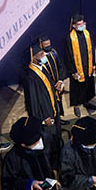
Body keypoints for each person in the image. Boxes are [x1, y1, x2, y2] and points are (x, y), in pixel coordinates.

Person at [24, 41, 64, 172]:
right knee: (48, 142)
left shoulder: (43, 68)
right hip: (45, 116)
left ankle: (58, 160)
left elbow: (50, 86)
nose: (44, 55)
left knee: (57, 136)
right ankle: (50, 166)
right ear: (33, 57)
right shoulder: (31, 78)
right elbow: (33, 103)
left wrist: (58, 84)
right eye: (41, 54)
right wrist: (42, 119)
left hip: (52, 109)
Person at [64, 13, 96, 117]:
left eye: (83, 23)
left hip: (88, 66)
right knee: (77, 88)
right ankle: (76, 105)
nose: (82, 25)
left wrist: (94, 64)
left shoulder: (87, 33)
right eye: (79, 24)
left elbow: (92, 49)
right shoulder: (69, 38)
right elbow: (67, 56)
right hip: (76, 69)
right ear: (74, 25)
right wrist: (73, 71)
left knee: (87, 85)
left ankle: (87, 101)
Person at [35, 35, 68, 125]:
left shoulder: (53, 52)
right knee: (51, 104)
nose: (48, 46)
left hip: (57, 83)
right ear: (41, 45)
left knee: (58, 102)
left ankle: (58, 118)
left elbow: (60, 66)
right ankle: (53, 120)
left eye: (49, 44)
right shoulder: (38, 58)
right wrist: (53, 85)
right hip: (48, 86)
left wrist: (60, 80)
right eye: (46, 45)